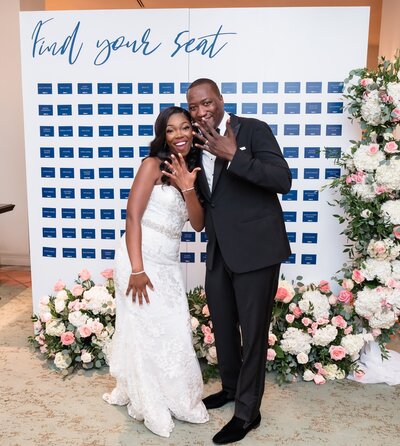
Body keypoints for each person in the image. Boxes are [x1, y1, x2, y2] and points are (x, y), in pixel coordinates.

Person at [186, 79, 292, 444]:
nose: (201, 111)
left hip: (257, 251)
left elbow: (282, 179)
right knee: (223, 325)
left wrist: (235, 155)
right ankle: (231, 388)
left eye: (206, 103)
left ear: (220, 100)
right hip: (218, 250)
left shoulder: (252, 130)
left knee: (253, 332)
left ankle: (248, 412)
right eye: (194, 107)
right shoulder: (197, 143)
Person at [103, 106, 209, 437]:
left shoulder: (197, 169)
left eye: (185, 128)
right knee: (144, 329)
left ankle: (176, 396)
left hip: (167, 262)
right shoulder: (151, 165)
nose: (179, 135)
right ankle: (150, 400)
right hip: (138, 258)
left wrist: (188, 187)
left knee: (172, 329)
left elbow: (198, 223)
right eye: (171, 130)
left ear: (193, 131)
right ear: (163, 135)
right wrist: (136, 269)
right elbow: (132, 217)